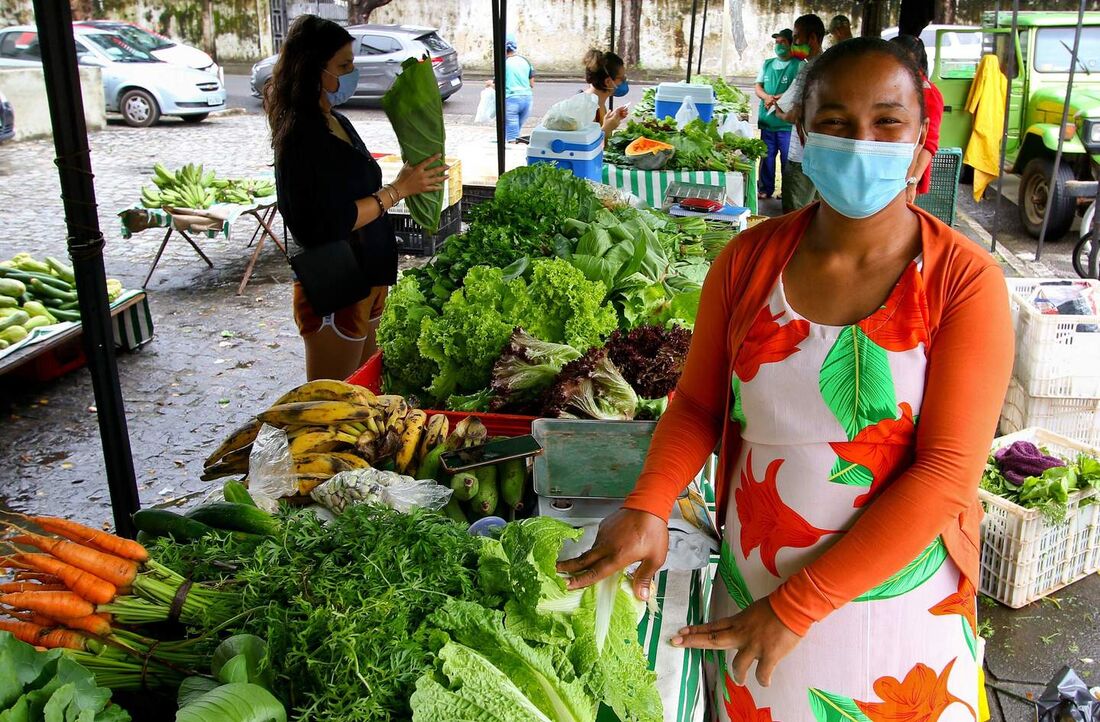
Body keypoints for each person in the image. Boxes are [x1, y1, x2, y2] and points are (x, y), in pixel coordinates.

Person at [559, 37, 1013, 721]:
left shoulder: (963, 282)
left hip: (900, 613)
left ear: (923, 136)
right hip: (753, 589)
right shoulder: (747, 261)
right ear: (800, 134)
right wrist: (648, 503)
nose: (861, 141)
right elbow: (698, 405)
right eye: (834, 121)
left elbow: (946, 472)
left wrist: (800, 605)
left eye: (886, 121)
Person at [266, 15, 447, 381]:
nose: (352, 73)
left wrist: (402, 180)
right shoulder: (302, 137)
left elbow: (356, 186)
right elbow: (324, 223)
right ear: (314, 70)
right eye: (343, 66)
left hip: (369, 278)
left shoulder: (336, 121)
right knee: (334, 402)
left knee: (365, 392)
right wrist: (397, 191)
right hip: (337, 285)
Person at [775, 14, 826, 213]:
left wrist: (779, 113)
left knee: (795, 213)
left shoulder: (809, 69)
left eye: (796, 37)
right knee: (817, 212)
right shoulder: (829, 64)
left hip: (802, 156)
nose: (794, 43)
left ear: (812, 38)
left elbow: (794, 115)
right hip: (821, 155)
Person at [891, 34, 944, 202]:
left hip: (904, 178)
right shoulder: (892, 84)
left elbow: (929, 143)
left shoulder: (927, 93)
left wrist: (912, 182)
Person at [754, 29, 800, 200]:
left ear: (790, 44)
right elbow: (758, 86)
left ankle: (786, 191)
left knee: (787, 159)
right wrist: (766, 97)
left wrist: (776, 99)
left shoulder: (798, 64)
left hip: (786, 123)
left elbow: (797, 89)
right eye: (777, 43)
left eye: (782, 42)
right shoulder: (767, 64)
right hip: (767, 120)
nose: (779, 46)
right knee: (767, 156)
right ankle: (765, 188)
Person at [490, 33, 535, 142]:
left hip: (511, 100)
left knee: (512, 135)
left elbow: (498, 86)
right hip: (527, 100)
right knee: (516, 130)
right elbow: (532, 84)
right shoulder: (525, 61)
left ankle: (510, 151)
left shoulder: (503, 64)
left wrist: (489, 84)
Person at [583, 49, 629, 138]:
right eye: (622, 79)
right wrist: (607, 129)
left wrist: (611, 119)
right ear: (608, 82)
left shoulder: (598, 102)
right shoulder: (586, 108)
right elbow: (585, 148)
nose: (624, 82)